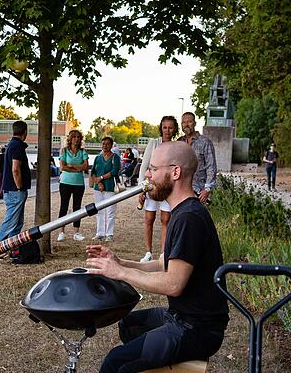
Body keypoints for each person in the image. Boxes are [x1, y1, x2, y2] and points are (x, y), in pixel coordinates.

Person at [86, 141, 229, 372]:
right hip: (180, 316)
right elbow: (163, 264)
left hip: (196, 328)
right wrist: (120, 262)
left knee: (115, 362)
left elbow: (173, 284)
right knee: (129, 325)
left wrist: (121, 273)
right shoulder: (180, 212)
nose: (147, 176)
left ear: (175, 172)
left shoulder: (189, 218)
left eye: (152, 169)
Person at [138, 115, 178, 262]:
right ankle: (148, 253)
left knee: (166, 219)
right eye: (165, 127)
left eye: (170, 127)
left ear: (175, 129)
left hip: (167, 187)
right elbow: (144, 166)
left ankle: (163, 253)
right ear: (161, 128)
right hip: (151, 185)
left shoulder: (176, 146)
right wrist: (141, 189)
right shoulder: (154, 143)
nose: (167, 130)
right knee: (149, 218)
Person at [0, 121, 31, 243]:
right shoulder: (18, 146)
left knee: (17, 223)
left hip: (10, 189)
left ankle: (11, 247)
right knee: (10, 223)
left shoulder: (11, 145)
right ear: (25, 131)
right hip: (15, 190)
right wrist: (19, 187)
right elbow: (15, 169)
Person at [56, 129, 89, 242]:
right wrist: (77, 168)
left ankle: (76, 232)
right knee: (63, 207)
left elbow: (85, 167)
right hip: (65, 182)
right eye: (74, 137)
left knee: (77, 207)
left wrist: (71, 166)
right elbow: (62, 167)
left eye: (78, 137)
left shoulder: (82, 152)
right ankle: (61, 231)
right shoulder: (64, 151)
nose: (76, 139)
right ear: (70, 139)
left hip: (79, 183)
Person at [178, 112, 217, 204]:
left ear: (195, 123)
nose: (186, 125)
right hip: (180, 190)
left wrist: (207, 189)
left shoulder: (205, 142)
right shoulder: (179, 142)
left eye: (189, 122)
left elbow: (211, 167)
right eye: (184, 122)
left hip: (198, 192)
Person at [90, 136, 121, 242]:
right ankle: (100, 233)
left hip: (110, 187)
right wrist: (98, 182)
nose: (105, 146)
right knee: (99, 210)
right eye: (103, 144)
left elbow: (114, 171)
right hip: (98, 188)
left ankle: (109, 233)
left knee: (110, 211)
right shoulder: (98, 158)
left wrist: (101, 178)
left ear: (111, 145)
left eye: (107, 144)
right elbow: (93, 171)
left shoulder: (115, 157)